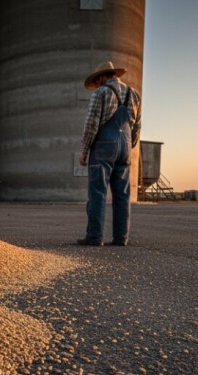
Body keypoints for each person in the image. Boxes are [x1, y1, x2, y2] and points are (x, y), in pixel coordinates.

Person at [77, 61, 141, 247]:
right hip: (125, 145)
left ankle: (95, 237)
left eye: (96, 82)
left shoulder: (101, 92)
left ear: (102, 77)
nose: (96, 86)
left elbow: (91, 123)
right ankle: (121, 238)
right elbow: (137, 126)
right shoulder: (134, 94)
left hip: (104, 146)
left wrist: (84, 150)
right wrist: (129, 146)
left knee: (98, 192)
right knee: (122, 194)